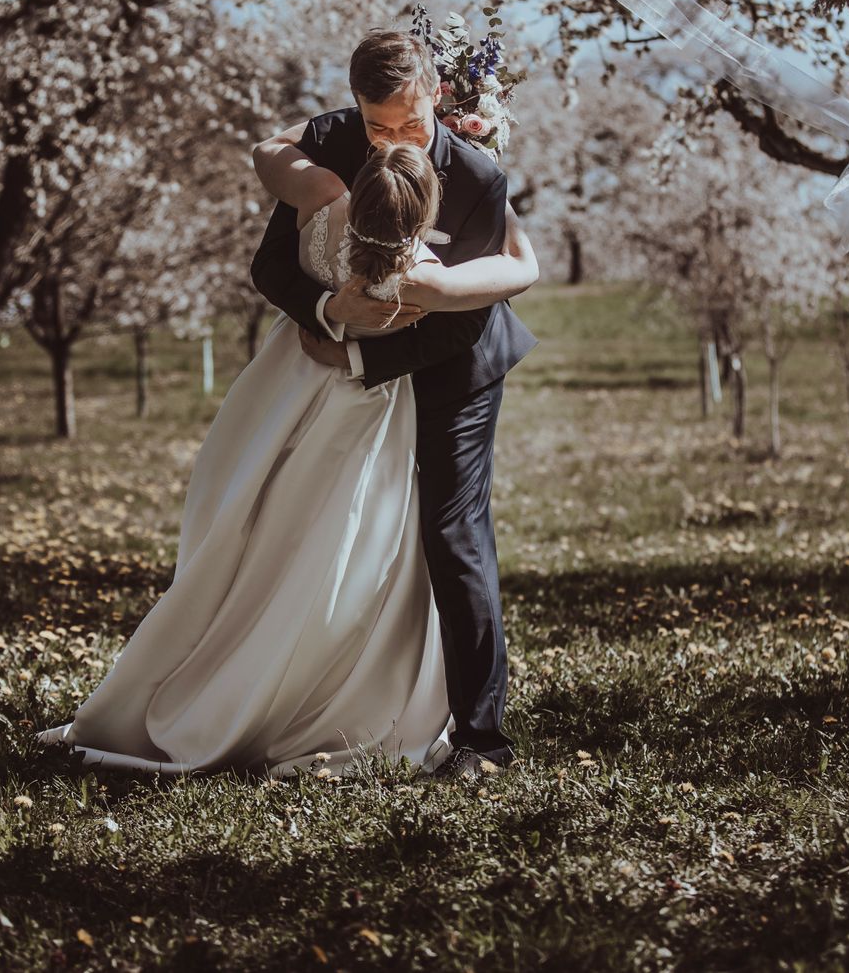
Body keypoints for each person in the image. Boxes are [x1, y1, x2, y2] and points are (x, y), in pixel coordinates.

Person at [36, 49, 537, 776]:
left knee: (451, 529)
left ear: (438, 96)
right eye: (376, 124)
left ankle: (481, 739)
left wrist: (363, 359)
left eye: (411, 122)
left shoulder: (479, 177)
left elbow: (470, 317)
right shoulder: (332, 143)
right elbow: (274, 263)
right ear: (354, 109)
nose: (393, 138)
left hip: (458, 364)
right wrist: (329, 311)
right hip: (341, 358)